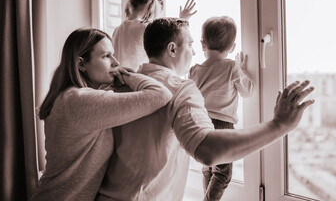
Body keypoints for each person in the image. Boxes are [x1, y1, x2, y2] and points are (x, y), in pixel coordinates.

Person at [97, 18, 314, 201]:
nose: (193, 51)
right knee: (220, 172)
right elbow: (207, 151)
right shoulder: (180, 89)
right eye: (189, 45)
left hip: (105, 195)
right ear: (172, 49)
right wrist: (278, 125)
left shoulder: (122, 82)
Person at [30, 28, 172, 201]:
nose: (116, 62)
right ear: (81, 64)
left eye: (113, 55)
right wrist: (128, 77)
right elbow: (161, 95)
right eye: (106, 56)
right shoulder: (81, 101)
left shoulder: (68, 96)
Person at [188, 16, 254, 200]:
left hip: (201, 123)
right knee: (223, 173)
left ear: (202, 44)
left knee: (207, 167)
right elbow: (248, 91)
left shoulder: (194, 70)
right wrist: (244, 69)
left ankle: (206, 197)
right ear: (232, 48)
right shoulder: (231, 67)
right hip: (223, 126)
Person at [112, 0, 197, 71]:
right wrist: (182, 19)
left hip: (120, 77)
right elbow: (171, 36)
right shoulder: (144, 27)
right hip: (136, 78)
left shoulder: (118, 29)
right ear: (156, 5)